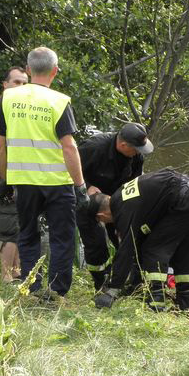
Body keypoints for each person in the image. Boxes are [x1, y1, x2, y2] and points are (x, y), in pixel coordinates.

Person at [0, 47, 88, 298]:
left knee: (29, 235)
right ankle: (56, 292)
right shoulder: (59, 101)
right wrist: (80, 186)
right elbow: (69, 147)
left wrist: (5, 179)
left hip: (24, 181)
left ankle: (30, 288)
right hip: (57, 182)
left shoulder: (9, 99)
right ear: (55, 71)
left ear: (29, 69)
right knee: (61, 238)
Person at [88, 168, 189, 311]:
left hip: (183, 198)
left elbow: (126, 249)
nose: (106, 223)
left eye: (102, 221)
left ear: (101, 215)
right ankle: (185, 306)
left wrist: (113, 290)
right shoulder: (122, 197)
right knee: (185, 250)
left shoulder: (122, 210)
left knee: (154, 249)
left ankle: (156, 304)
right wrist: (133, 283)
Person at [77, 123, 154, 289]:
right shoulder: (93, 148)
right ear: (123, 145)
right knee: (95, 244)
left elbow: (135, 184)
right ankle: (101, 283)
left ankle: (134, 283)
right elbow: (67, 168)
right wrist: (86, 185)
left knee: (128, 240)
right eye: (136, 149)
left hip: (117, 202)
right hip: (88, 202)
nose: (138, 153)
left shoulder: (136, 156)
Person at [0, 67, 28, 282]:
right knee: (9, 229)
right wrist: (4, 179)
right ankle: (6, 278)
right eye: (17, 82)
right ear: (5, 84)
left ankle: (17, 272)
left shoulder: (12, 107)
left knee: (18, 226)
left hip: (17, 177)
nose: (21, 87)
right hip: (5, 179)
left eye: (25, 83)